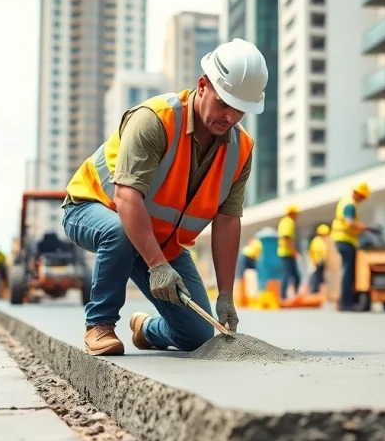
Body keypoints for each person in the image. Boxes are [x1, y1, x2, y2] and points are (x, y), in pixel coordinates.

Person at [62, 37, 267, 356]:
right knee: (118, 232)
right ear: (202, 86)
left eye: (239, 110)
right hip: (93, 207)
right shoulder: (155, 119)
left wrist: (225, 293)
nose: (229, 117)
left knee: (199, 336)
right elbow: (126, 197)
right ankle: (99, 325)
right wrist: (156, 264)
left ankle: (145, 329)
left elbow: (227, 221)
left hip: (158, 238)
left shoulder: (240, 150)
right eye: (223, 103)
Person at [331, 182, 373, 311]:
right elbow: (349, 223)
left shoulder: (345, 201)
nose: (362, 200)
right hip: (345, 240)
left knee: (347, 271)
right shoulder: (350, 204)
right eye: (362, 197)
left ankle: (344, 302)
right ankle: (346, 303)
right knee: (348, 272)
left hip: (342, 240)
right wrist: (366, 228)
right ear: (358, 194)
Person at [277, 203, 300, 299]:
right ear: (292, 213)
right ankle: (283, 296)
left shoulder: (284, 221)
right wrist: (293, 251)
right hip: (287, 253)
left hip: (285, 252)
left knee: (293, 275)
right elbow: (287, 237)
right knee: (289, 275)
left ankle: (290, 295)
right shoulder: (288, 222)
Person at [308, 224, 329, 294]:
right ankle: (314, 290)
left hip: (325, 262)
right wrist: (314, 261)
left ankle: (323, 290)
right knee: (316, 276)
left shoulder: (327, 240)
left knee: (323, 277)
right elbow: (311, 252)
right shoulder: (316, 241)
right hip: (317, 261)